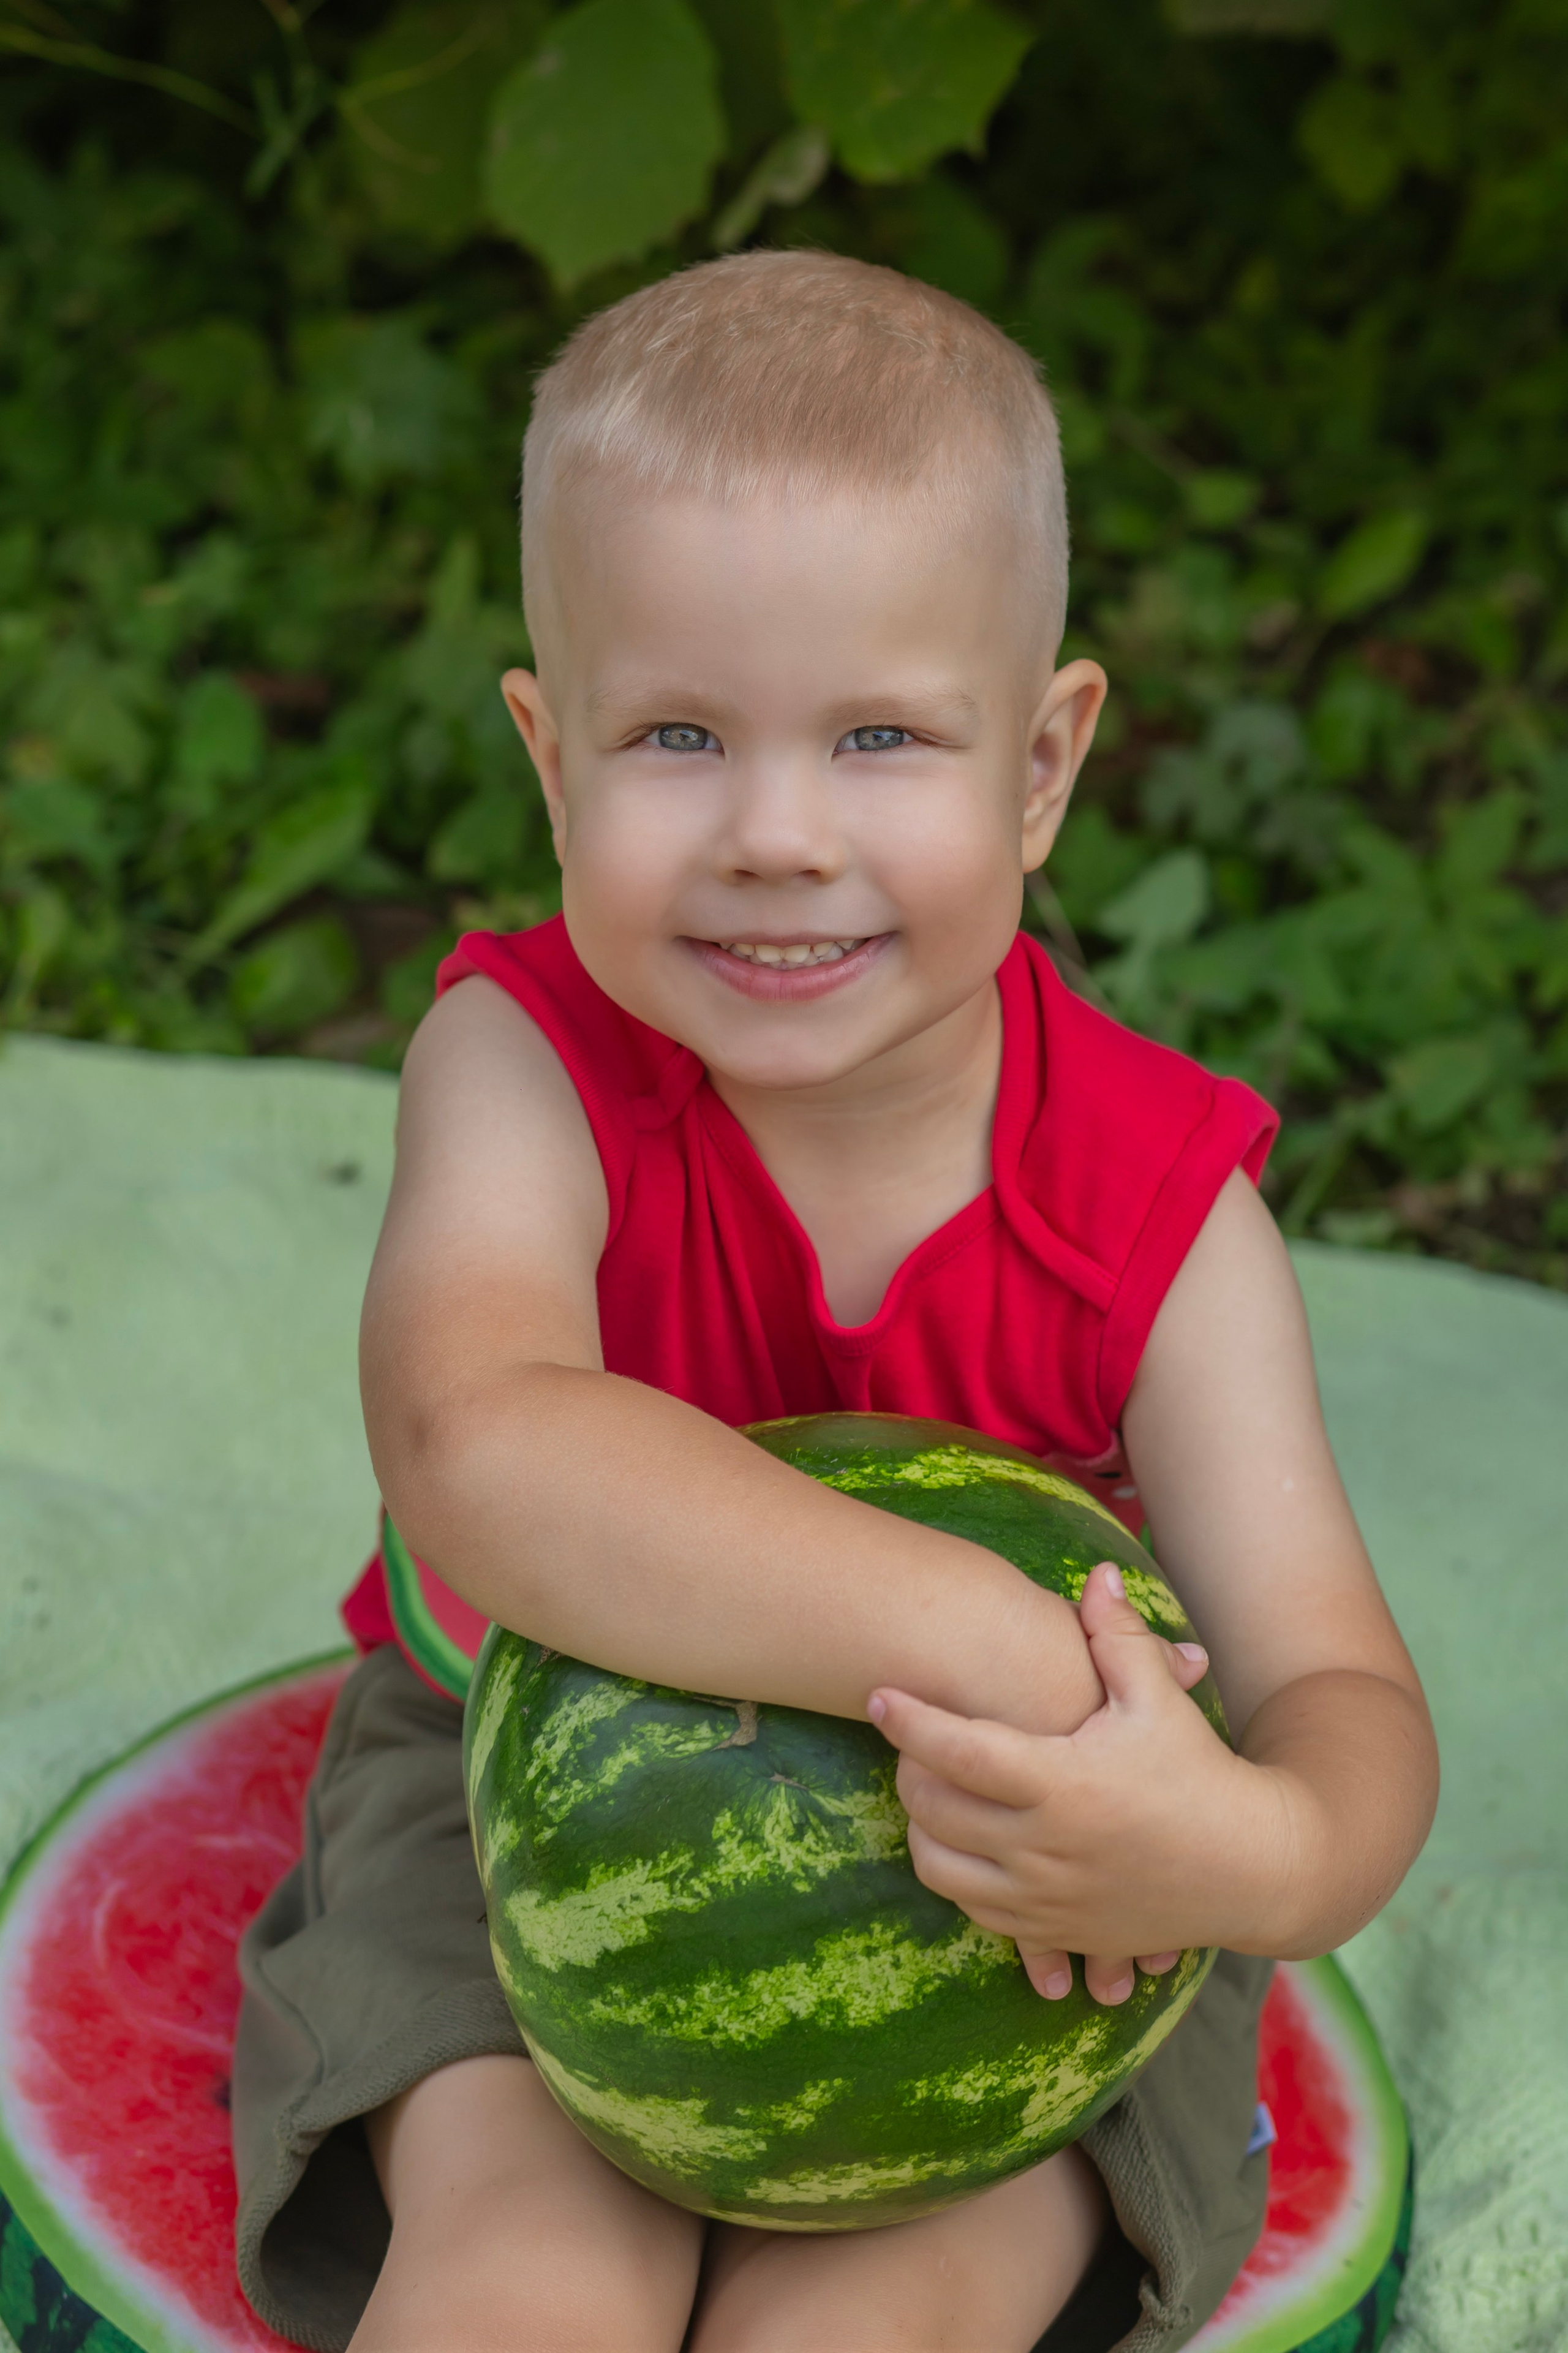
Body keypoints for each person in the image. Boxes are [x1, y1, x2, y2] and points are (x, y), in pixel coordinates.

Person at [232, 251, 1437, 2353]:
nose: (779, 836)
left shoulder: (1158, 1218)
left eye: (880, 733)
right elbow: (475, 1452)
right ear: (550, 757)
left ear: (1044, 766)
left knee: (877, 2323)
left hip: (1030, 1895)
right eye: (678, 734)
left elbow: (1346, 1711)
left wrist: (1228, 1848)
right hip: (518, 1802)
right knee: (522, 2282)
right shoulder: (524, 1068)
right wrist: (987, 1638)